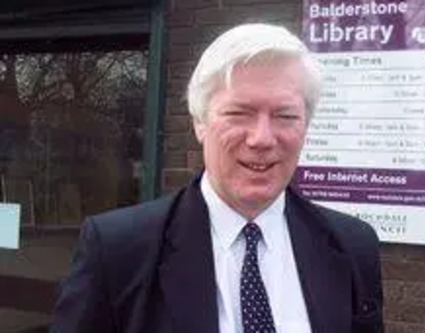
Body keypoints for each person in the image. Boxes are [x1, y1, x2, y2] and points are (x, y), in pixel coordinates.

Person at [51, 23, 384, 333]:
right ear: (199, 122)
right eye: (239, 113)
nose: (262, 138)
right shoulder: (117, 250)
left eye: (285, 115)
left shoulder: (353, 245)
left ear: (305, 126)